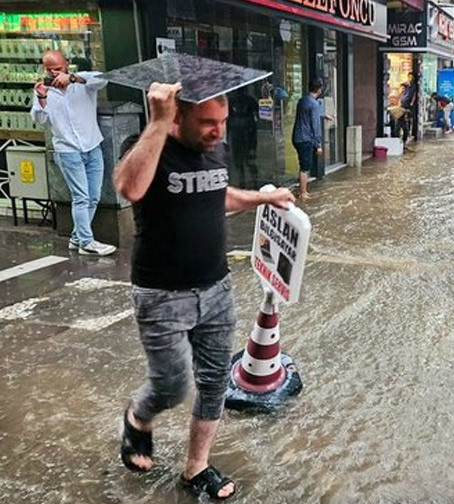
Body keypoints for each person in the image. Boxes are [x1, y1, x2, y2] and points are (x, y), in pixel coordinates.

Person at [112, 82, 295, 500]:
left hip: (215, 287)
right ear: (179, 117)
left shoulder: (216, 149)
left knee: (214, 384)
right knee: (172, 386)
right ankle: (138, 419)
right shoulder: (149, 145)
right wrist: (158, 122)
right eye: (208, 122)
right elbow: (128, 188)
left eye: (223, 121)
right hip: (162, 294)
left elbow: (217, 195)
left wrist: (263, 200)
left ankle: (196, 468)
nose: (218, 131)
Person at [30, 50, 116, 256]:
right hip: (67, 149)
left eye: (57, 69)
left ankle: (77, 237)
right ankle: (86, 242)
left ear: (66, 65)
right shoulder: (44, 89)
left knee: (93, 196)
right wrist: (42, 97)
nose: (53, 73)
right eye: (49, 69)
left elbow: (103, 80)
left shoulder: (82, 82)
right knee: (81, 197)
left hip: (91, 144)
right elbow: (40, 120)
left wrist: (73, 79)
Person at [292, 78, 324, 200]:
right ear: (319, 90)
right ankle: (303, 193)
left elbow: (306, 115)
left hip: (297, 137)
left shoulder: (302, 100)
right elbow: (315, 125)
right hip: (306, 138)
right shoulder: (314, 104)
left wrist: (323, 115)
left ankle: (302, 190)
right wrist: (318, 144)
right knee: (305, 167)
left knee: (303, 163)